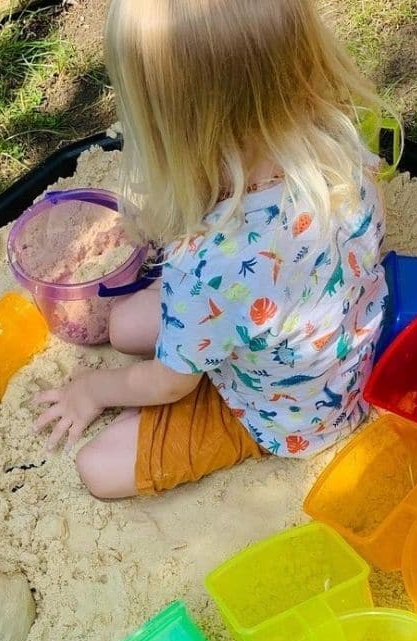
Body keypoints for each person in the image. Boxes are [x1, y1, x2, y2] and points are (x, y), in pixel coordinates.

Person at [34, 0, 395, 498]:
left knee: (98, 469)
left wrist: (92, 389)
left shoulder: (207, 264)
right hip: (320, 338)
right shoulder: (337, 145)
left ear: (170, 128)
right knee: (122, 326)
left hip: (289, 415)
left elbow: (168, 384)